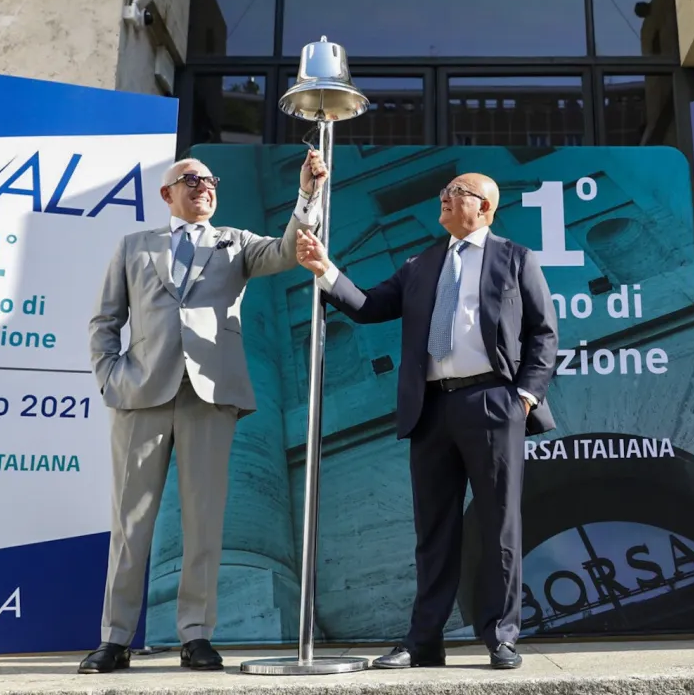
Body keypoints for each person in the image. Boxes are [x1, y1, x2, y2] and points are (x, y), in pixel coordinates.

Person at [295, 173, 559, 670]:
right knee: (433, 531)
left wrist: (523, 397)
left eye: (458, 191)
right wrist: (325, 269)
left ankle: (500, 636)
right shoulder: (421, 263)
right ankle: (424, 641)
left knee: (498, 525)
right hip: (431, 408)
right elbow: (371, 306)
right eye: (444, 191)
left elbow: (543, 334)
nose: (445, 195)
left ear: (484, 207)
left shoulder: (515, 258)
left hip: (492, 403)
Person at [78, 151, 327, 674]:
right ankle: (115, 639)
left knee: (204, 520)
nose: (203, 187)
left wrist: (306, 194)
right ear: (167, 194)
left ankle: (196, 636)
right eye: (189, 180)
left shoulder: (234, 242)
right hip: (141, 397)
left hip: (209, 397)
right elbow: (105, 321)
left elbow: (287, 252)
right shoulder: (133, 246)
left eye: (209, 180)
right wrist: (109, 377)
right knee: (131, 523)